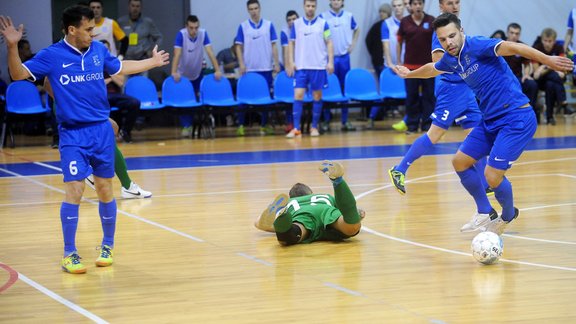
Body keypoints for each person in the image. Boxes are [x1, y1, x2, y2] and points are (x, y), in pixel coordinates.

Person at [0, 6, 169, 273]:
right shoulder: (52, 55)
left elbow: (121, 66)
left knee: (104, 190)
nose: (92, 34)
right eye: (88, 30)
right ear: (72, 30)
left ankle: (107, 245)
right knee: (75, 191)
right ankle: (69, 253)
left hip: (101, 131)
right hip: (72, 134)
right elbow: (18, 75)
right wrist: (12, 47)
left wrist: (152, 62)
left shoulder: (98, 51)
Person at [393, 13, 574, 235]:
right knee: (460, 162)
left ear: (461, 31)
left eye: (451, 36)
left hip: (516, 118)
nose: (448, 42)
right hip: (490, 120)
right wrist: (409, 75)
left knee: (491, 175)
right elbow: (433, 68)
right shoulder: (451, 59)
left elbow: (514, 47)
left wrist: (548, 60)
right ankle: (484, 211)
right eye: (442, 39)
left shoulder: (476, 44)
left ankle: (507, 216)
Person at [389, 0, 488, 197]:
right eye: (450, 3)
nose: (455, 6)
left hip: (465, 89)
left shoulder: (458, 27)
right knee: (434, 135)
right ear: (441, 6)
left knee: (477, 135)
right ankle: (399, 169)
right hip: (451, 90)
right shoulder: (441, 33)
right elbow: (437, 63)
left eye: (457, 2)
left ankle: (486, 183)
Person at [254, 160, 363, 245]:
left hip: (302, 217)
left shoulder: (291, 202)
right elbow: (347, 209)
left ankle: (282, 214)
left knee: (288, 238)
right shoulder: (324, 196)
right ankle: (338, 181)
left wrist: (276, 226)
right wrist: (356, 215)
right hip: (326, 212)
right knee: (351, 226)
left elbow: (259, 223)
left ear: (292, 197)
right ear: (311, 193)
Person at [285, 0, 334, 138]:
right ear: (304, 6)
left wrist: (330, 62)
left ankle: (314, 127)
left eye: (313, 6)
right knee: (298, 95)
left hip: (318, 66)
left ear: (316, 7)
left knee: (317, 96)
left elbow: (329, 42)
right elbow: (291, 43)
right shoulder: (297, 24)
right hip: (301, 66)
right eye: (308, 6)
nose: (310, 8)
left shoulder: (323, 23)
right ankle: (296, 129)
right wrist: (291, 62)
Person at [234, 0, 279, 136]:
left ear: (260, 9)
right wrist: (241, 64)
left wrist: (276, 63)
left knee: (266, 99)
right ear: (248, 10)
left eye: (256, 8)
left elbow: (274, 46)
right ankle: (240, 125)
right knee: (244, 99)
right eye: (251, 9)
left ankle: (264, 125)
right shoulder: (243, 27)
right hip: (249, 70)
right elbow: (238, 46)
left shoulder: (269, 25)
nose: (254, 11)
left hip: (265, 68)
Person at [171, 15, 221, 138]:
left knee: (197, 102)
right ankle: (186, 127)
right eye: (191, 28)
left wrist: (217, 69)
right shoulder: (181, 35)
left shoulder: (203, 34)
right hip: (183, 74)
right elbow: (177, 54)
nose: (194, 31)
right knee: (184, 102)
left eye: (196, 28)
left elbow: (210, 52)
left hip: (197, 73)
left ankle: (196, 126)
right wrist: (173, 71)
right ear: (186, 27)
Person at [320, 0, 360, 132]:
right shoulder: (323, 17)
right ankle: (326, 120)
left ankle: (345, 120)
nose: (336, 1)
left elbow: (357, 29)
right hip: (329, 59)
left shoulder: (348, 16)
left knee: (344, 89)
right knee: (328, 88)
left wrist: (353, 44)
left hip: (344, 58)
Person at [396, 0, 436, 134]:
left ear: (423, 5)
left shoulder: (431, 21)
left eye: (420, 3)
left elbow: (437, 41)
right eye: (415, 4)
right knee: (411, 96)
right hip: (409, 67)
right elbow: (399, 42)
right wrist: (398, 61)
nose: (418, 6)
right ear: (411, 6)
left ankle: (427, 125)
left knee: (428, 96)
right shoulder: (405, 22)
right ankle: (412, 125)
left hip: (429, 67)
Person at [368, 0, 406, 129]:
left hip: (407, 65)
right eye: (394, 6)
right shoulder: (386, 24)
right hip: (389, 66)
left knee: (412, 94)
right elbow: (386, 44)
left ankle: (408, 121)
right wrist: (390, 63)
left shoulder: (408, 22)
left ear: (405, 6)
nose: (397, 8)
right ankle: (371, 118)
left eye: (399, 5)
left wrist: (404, 63)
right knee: (382, 93)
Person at [532, 28, 573, 125]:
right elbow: (537, 74)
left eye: (550, 41)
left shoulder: (559, 48)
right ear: (541, 40)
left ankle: (550, 118)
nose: (547, 43)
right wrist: (550, 65)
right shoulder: (536, 48)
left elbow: (563, 70)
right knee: (554, 76)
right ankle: (563, 104)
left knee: (550, 84)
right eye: (545, 41)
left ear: (554, 41)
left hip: (553, 80)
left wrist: (544, 66)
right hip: (541, 80)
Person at [503, 23, 539, 123]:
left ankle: (531, 115)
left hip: (517, 78)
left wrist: (526, 74)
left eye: (517, 33)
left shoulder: (523, 47)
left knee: (532, 84)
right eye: (512, 33)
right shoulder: (499, 45)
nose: (514, 35)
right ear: (507, 33)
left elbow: (527, 64)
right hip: (502, 80)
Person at [365, 3, 391, 78]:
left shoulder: (392, 25)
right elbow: (368, 40)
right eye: (380, 11)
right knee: (383, 83)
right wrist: (374, 54)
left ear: (388, 13)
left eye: (384, 12)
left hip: (392, 61)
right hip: (378, 61)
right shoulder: (376, 26)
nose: (381, 13)